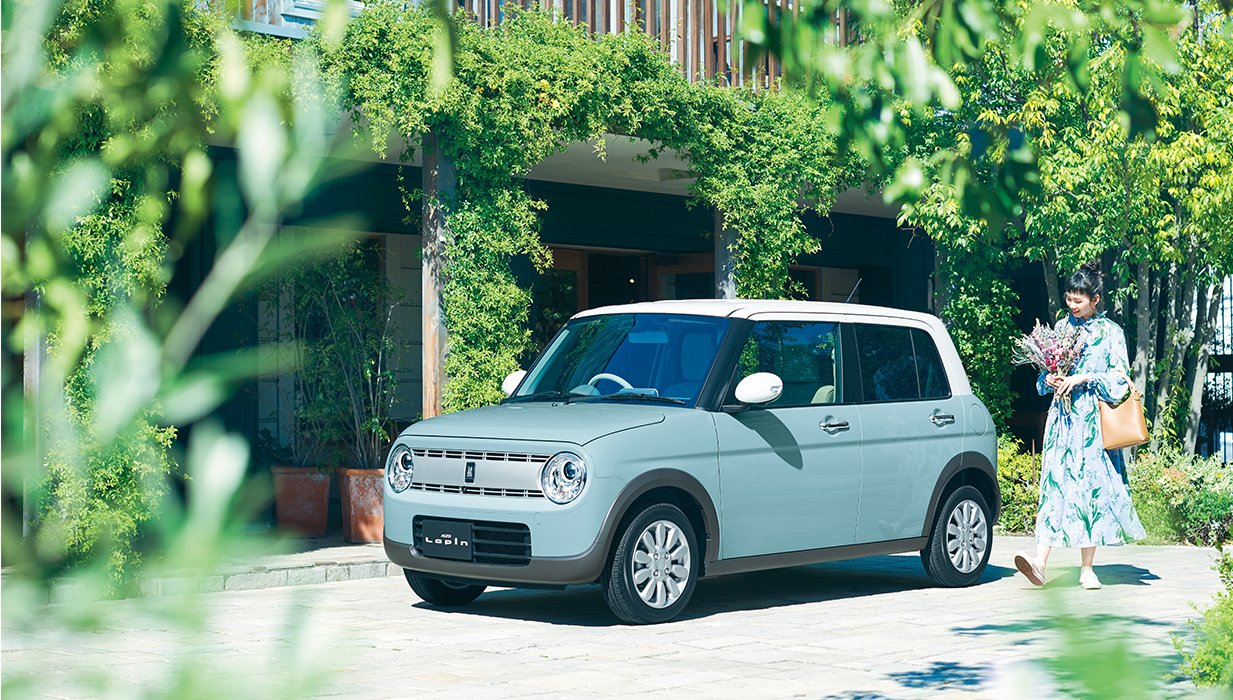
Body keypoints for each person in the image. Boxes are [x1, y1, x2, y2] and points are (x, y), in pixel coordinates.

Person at [1014, 261, 1146, 590]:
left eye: (1078, 300)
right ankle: (1039, 564)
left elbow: (1120, 382)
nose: (1072, 306)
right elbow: (1042, 381)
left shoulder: (1112, 333)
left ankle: (1087, 568)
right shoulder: (1061, 328)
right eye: (1069, 299)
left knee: (1091, 491)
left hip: (1092, 423)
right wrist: (1050, 378)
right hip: (1062, 419)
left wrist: (1085, 377)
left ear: (1095, 299)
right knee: (1054, 486)